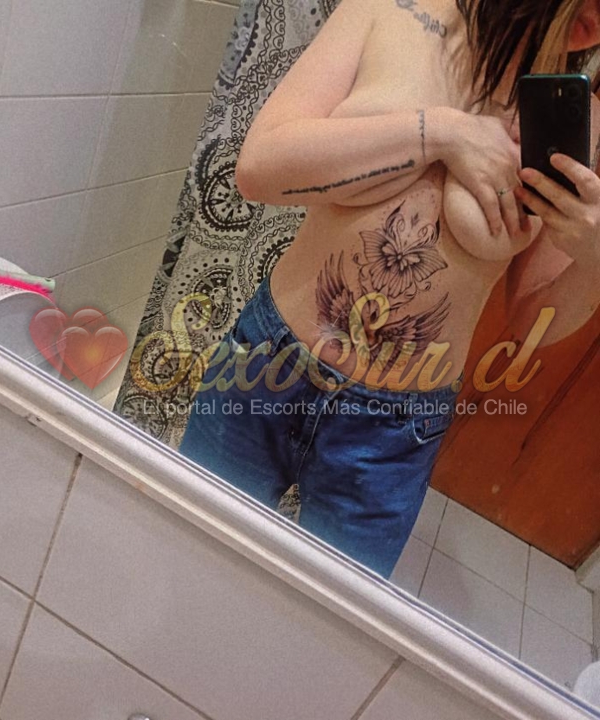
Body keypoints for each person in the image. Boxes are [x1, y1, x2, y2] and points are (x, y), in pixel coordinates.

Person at [178, 0, 600, 579]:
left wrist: (594, 257)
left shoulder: (574, 119)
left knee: (325, 613)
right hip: (265, 369)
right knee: (185, 553)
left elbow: (531, 321)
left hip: (396, 429)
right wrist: (442, 133)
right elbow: (258, 169)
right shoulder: (389, 9)